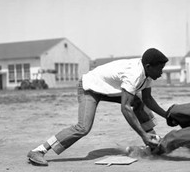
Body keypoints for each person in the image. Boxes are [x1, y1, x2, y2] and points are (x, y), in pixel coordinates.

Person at [27, 48, 170, 166]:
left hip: (106, 88)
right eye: (160, 69)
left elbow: (148, 99)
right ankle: (38, 150)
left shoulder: (148, 75)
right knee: (83, 127)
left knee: (139, 102)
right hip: (89, 87)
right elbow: (125, 108)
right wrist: (143, 135)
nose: (161, 73)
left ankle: (153, 143)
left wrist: (167, 115)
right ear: (148, 67)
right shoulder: (134, 75)